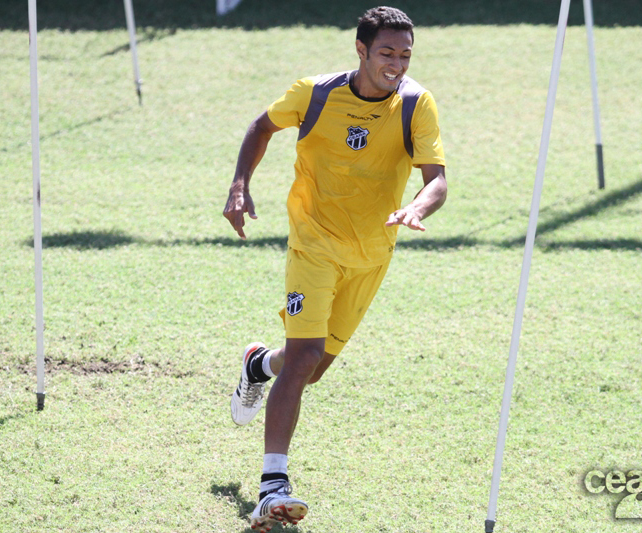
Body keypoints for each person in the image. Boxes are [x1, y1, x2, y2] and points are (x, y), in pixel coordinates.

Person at [222, 6, 447, 531]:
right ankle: (272, 485)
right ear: (362, 50)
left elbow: (437, 179)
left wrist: (418, 206)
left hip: (371, 254)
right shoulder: (316, 93)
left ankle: (258, 365)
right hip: (314, 244)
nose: (397, 64)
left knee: (311, 368)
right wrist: (239, 184)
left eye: (405, 54)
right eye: (387, 53)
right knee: (304, 358)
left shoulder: (416, 103)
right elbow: (262, 126)